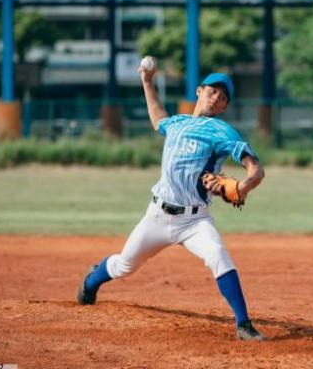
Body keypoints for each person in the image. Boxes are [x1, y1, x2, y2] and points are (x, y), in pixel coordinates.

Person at [76, 57, 267, 341]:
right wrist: (147, 81)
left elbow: (256, 169)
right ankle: (91, 281)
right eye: (213, 90)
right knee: (124, 265)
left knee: (218, 255)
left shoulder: (222, 132)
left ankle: (243, 324)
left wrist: (244, 186)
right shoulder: (177, 124)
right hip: (157, 215)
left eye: (224, 97)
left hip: (195, 220)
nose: (217, 97)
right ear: (199, 91)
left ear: (225, 107)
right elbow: (158, 119)